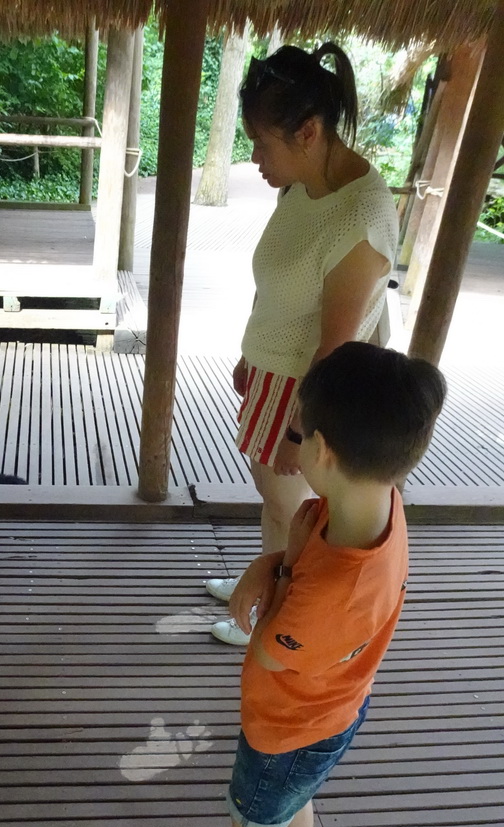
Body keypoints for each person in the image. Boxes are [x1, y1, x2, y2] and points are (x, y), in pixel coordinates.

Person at [177, 341, 446, 827]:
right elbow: (298, 551)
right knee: (293, 804)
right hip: (333, 714)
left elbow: (270, 652)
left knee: (249, 822)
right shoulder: (373, 504)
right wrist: (269, 563)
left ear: (321, 452)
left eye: (297, 433)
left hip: (285, 725)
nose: (290, 444)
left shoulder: (334, 589)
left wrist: (269, 582)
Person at [207, 43, 399, 646]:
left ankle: (274, 614)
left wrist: (299, 431)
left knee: (296, 510)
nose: (256, 158)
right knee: (273, 494)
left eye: (263, 143)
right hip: (275, 371)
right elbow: (279, 277)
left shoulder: (359, 218)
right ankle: (262, 579)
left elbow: (334, 349)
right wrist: (250, 351)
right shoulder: (302, 185)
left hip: (310, 390)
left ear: (309, 131)